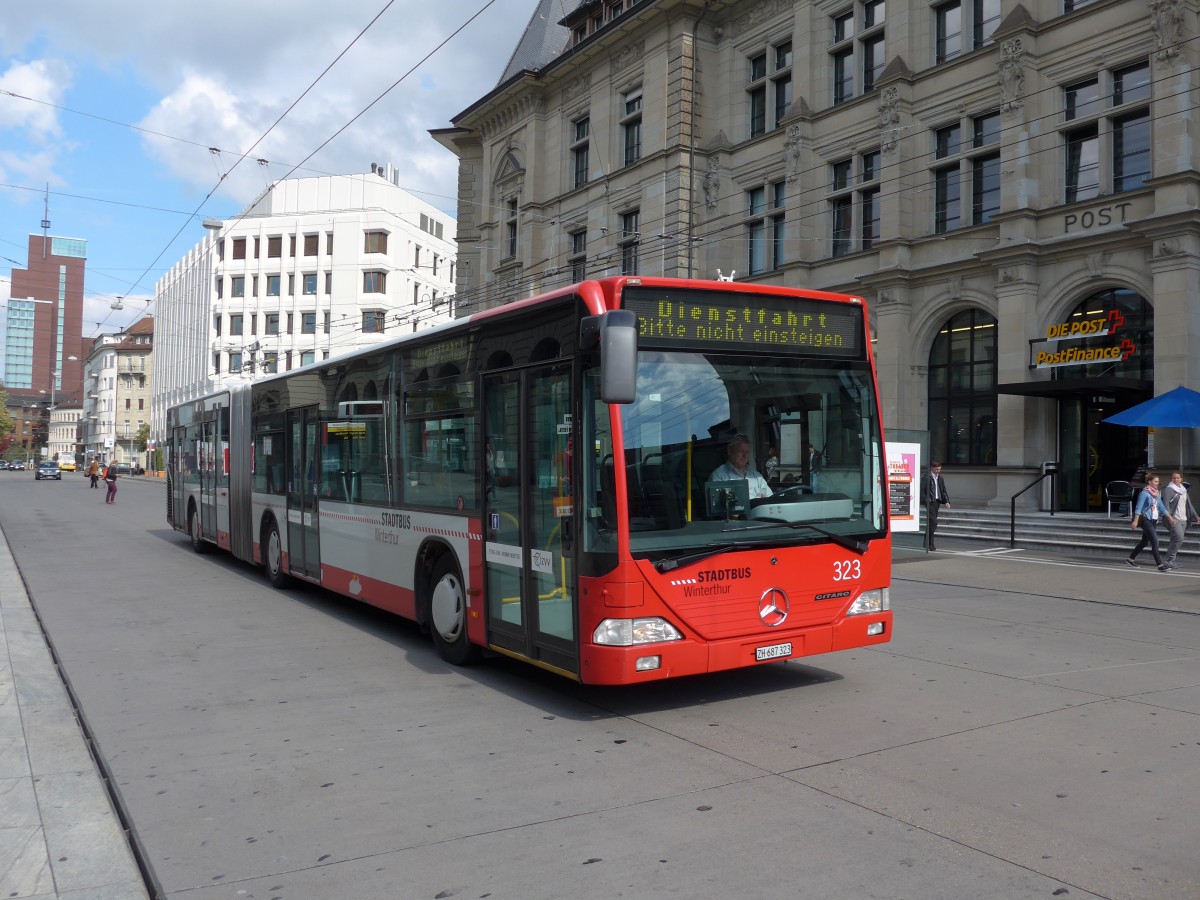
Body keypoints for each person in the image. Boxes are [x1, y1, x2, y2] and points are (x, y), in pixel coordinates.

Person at [1127, 471, 1173, 571]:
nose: (1157, 483)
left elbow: (1162, 507)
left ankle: (1130, 559)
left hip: (1153, 520)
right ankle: (1160, 565)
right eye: (1156, 481)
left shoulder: (1156, 494)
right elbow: (1138, 508)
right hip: (1145, 519)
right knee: (1155, 541)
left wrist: (1170, 517)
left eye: (1158, 482)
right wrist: (1135, 521)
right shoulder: (1144, 493)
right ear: (1149, 482)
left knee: (1144, 542)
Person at [710, 434, 772, 499]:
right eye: (740, 451)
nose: (744, 456)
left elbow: (770, 499)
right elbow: (717, 506)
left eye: (747, 452)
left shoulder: (756, 476)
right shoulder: (719, 476)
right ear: (729, 451)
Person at [1162, 471, 1197, 569]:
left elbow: (1188, 504)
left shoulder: (1183, 490)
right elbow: (1166, 504)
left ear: (1181, 479)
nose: (1176, 480)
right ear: (1171, 479)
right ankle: (1169, 560)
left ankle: (1169, 560)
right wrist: (1169, 517)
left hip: (1183, 519)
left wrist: (1196, 516)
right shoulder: (1169, 489)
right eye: (1174, 478)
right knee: (1179, 539)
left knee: (1175, 539)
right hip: (1174, 518)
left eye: (1178, 478)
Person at [920, 460, 950, 551]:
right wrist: (926, 501)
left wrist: (947, 501)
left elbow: (943, 490)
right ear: (932, 468)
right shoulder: (926, 477)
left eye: (939, 469)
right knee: (934, 522)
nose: (938, 471)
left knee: (931, 524)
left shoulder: (940, 478)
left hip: (937, 501)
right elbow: (922, 490)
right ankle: (930, 544)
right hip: (930, 502)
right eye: (936, 469)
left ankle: (928, 544)